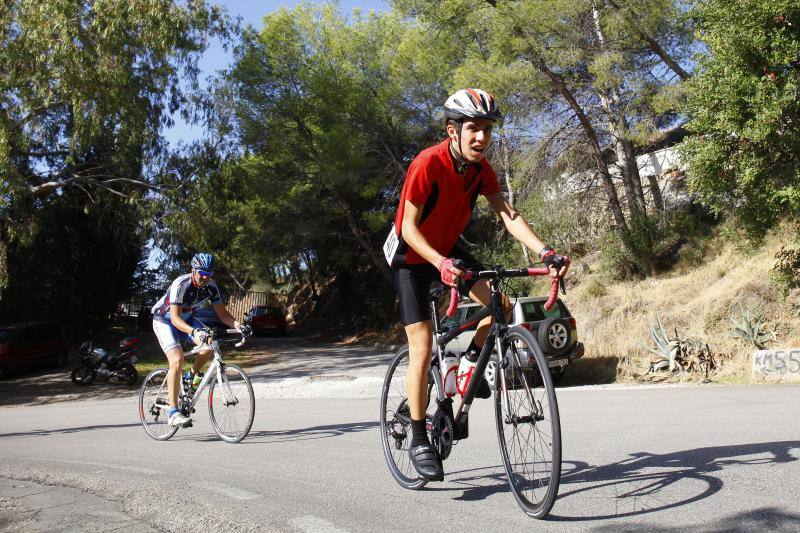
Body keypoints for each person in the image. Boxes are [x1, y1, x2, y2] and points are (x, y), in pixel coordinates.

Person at [389, 88, 569, 480]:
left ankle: (469, 363)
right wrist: (439, 262)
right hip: (414, 257)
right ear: (452, 130)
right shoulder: (427, 163)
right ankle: (419, 436)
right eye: (473, 128)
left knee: (500, 306)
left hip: (449, 250)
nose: (481, 138)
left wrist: (546, 251)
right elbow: (407, 227)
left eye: (487, 130)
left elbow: (507, 213)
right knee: (420, 348)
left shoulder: (480, 170)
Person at [151, 253, 241, 427]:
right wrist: (195, 331)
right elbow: (175, 318)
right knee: (177, 359)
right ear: (193, 271)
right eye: (202, 273)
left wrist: (239, 325)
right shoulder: (181, 284)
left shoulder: (211, 286)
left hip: (185, 318)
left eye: (209, 273)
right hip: (165, 320)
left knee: (209, 345)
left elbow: (222, 315)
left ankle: (189, 377)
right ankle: (173, 412)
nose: (206, 277)